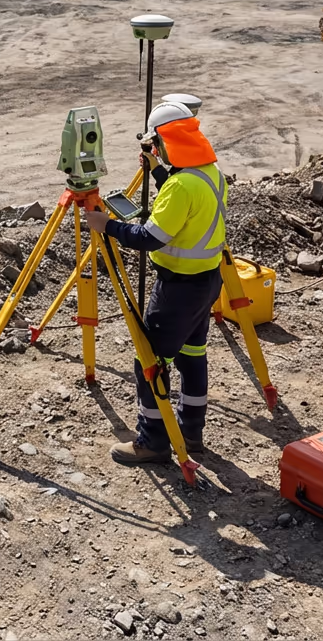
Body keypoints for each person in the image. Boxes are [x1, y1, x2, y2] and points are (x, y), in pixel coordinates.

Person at [83, 101, 228, 464]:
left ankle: (153, 441)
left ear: (165, 142)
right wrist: (158, 172)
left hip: (177, 290)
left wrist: (108, 226)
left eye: (157, 145)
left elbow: (150, 237)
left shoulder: (181, 186)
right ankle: (191, 432)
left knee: (150, 362)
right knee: (192, 357)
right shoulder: (210, 174)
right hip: (207, 282)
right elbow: (186, 206)